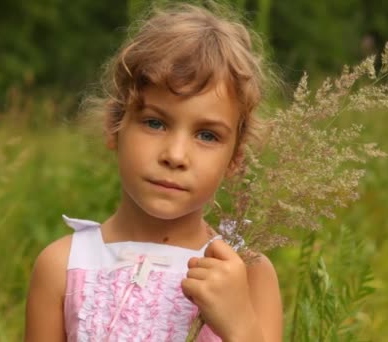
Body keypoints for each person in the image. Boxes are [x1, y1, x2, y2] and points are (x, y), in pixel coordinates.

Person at [24, 3, 283, 341]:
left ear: (235, 158)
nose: (175, 156)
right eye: (155, 123)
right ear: (113, 126)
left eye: (207, 135)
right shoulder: (62, 266)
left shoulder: (248, 273)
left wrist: (240, 326)